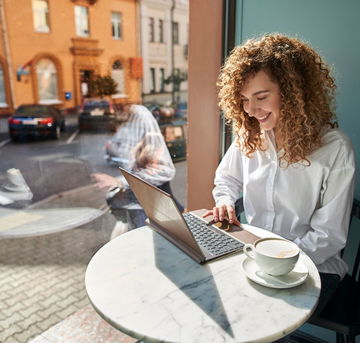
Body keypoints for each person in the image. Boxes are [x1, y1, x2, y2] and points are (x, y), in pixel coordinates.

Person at [203, 33, 356, 317]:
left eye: (261, 97)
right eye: (245, 99)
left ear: (294, 91)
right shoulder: (249, 136)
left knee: (255, 318)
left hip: (315, 266)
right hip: (255, 255)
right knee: (211, 298)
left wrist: (274, 259)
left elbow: (329, 236)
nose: (250, 110)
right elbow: (227, 179)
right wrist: (224, 200)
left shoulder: (335, 149)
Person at [92, 104, 183, 231]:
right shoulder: (135, 148)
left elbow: (164, 171)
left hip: (161, 217)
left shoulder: (151, 148)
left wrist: (120, 182)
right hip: (143, 216)